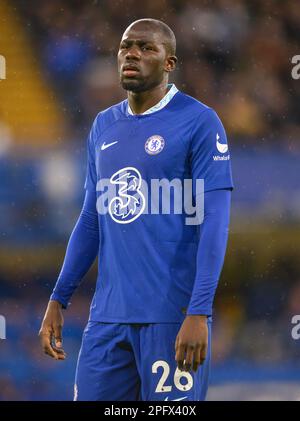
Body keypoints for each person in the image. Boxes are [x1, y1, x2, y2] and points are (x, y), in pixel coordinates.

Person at [39, 18, 233, 401]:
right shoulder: (103, 126)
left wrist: (198, 312)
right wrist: (58, 298)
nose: (132, 53)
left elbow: (215, 221)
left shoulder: (199, 122)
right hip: (107, 320)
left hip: (171, 317)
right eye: (126, 46)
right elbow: (92, 220)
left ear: (169, 64)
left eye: (147, 48)